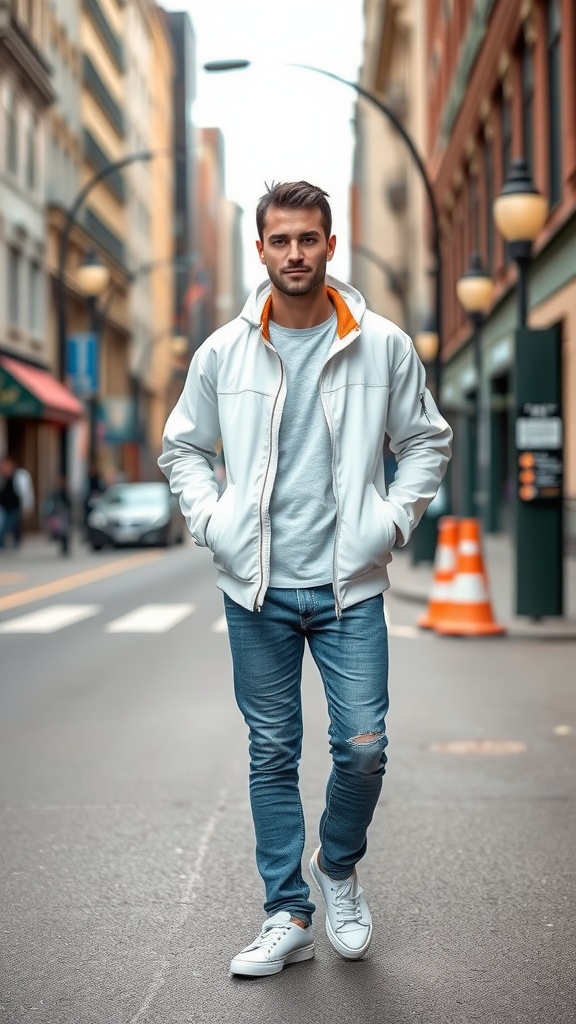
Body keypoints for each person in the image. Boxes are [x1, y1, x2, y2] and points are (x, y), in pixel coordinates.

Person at [159, 181, 452, 977]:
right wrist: (214, 523)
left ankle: (338, 868)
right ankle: (286, 914)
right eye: (280, 240)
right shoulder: (223, 351)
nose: (295, 254)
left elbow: (425, 440)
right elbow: (182, 448)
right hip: (255, 589)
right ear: (260, 250)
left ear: (332, 244)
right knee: (271, 752)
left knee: (362, 748)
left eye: (309, 239)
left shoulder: (381, 344)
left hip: (345, 587)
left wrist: (388, 524)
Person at [0, 456, 25, 549]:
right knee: (9, 525)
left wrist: (26, 505)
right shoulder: (3, 478)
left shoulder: (18, 476)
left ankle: (9, 542)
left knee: (10, 525)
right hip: (5, 506)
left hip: (13, 506)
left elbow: (24, 492)